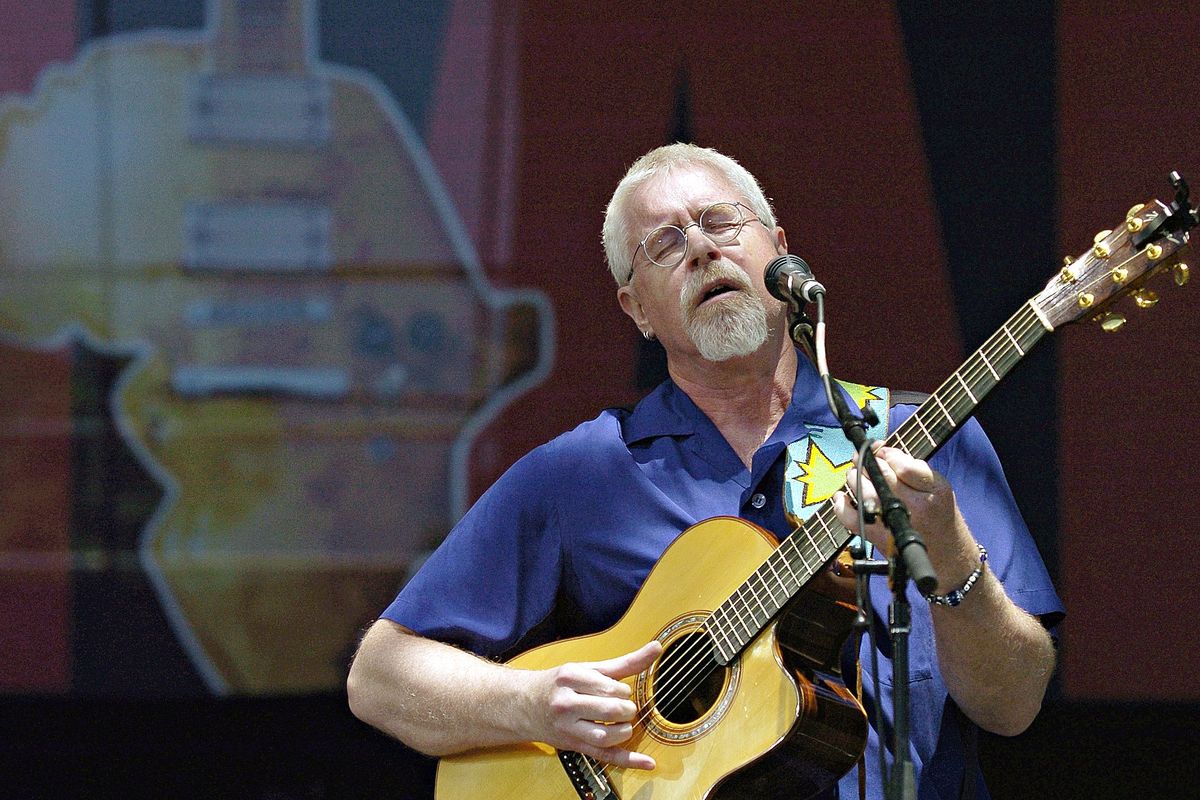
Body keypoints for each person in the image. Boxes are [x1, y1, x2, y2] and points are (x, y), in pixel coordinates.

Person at [346, 143, 1064, 799]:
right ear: (637, 312)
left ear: (781, 252)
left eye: (722, 222)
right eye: (664, 244)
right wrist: (533, 704)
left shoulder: (920, 446)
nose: (699, 249)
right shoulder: (586, 472)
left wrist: (945, 545)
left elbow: (1013, 706)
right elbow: (380, 675)